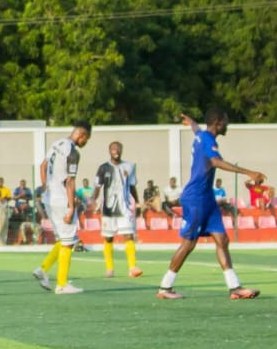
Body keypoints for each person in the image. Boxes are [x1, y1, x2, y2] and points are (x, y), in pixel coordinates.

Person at [157, 110, 265, 300]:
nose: (227, 125)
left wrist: (192, 122)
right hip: (196, 198)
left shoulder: (201, 135)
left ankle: (235, 288)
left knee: (222, 240)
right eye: (226, 121)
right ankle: (165, 287)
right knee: (189, 244)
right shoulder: (208, 140)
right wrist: (249, 172)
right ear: (217, 123)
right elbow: (216, 161)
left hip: (207, 199)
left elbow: (196, 129)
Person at [33, 120, 93, 294]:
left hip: (49, 197)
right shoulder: (73, 152)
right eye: (86, 139)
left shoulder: (57, 143)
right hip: (61, 199)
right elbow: (70, 181)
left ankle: (43, 269)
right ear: (82, 135)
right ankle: (62, 284)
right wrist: (72, 207)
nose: (85, 143)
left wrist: (45, 186)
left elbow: (43, 166)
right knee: (68, 243)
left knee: (64, 239)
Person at [92, 141, 143, 279]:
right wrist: (93, 200)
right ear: (109, 151)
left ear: (122, 150)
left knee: (129, 236)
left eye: (118, 148)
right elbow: (97, 187)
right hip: (108, 209)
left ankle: (132, 267)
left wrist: (137, 201)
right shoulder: (103, 168)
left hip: (125, 208)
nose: (116, 150)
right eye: (113, 148)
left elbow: (132, 186)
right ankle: (110, 269)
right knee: (109, 238)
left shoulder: (129, 166)